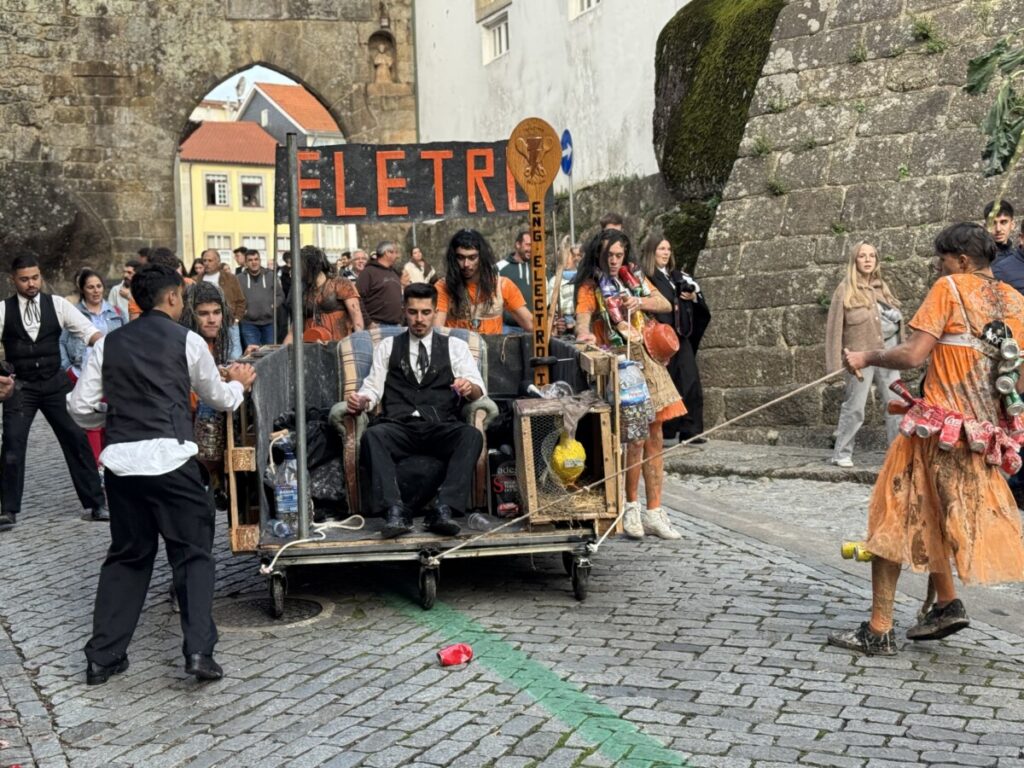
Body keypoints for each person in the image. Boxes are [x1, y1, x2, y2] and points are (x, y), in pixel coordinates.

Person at [830, 222, 1024, 656]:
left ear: (961, 260)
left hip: (934, 431)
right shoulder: (1016, 303)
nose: (940, 266)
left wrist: (867, 355)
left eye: (943, 259)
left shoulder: (949, 288)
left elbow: (914, 354)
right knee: (935, 519)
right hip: (979, 436)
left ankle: (878, 630)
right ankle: (948, 603)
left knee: (891, 521)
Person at [68, 264, 255, 684]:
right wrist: (241, 382)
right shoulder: (187, 340)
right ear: (173, 298)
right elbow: (220, 398)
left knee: (128, 557)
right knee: (192, 554)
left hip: (121, 464)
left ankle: (103, 657)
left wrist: (112, 416)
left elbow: (79, 408)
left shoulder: (107, 345)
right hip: (172, 459)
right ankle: (198, 653)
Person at [347, 282, 486, 539]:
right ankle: (394, 510)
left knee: (471, 436)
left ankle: (443, 509)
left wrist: (468, 388)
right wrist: (362, 400)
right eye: (413, 312)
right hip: (400, 426)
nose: (419, 319)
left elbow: (479, 390)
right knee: (373, 436)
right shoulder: (388, 347)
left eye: (425, 312)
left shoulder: (455, 347)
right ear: (404, 311)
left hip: (440, 425)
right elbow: (372, 387)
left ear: (435, 312)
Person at [575, 228, 684, 540]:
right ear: (598, 253)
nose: (613, 261)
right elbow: (583, 321)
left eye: (618, 255)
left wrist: (638, 303)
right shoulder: (589, 286)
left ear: (625, 255)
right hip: (619, 362)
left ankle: (655, 511)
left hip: (647, 358)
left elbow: (665, 302)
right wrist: (585, 335)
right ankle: (631, 507)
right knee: (634, 439)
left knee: (655, 435)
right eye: (608, 255)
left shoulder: (633, 276)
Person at [0, 251, 108, 531]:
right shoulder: (3, 310)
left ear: (41, 276)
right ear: (14, 280)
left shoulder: (58, 305)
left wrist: (110, 348)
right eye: (24, 279)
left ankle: (96, 504)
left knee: (76, 439)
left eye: (35, 277)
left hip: (54, 383)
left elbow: (88, 331)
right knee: (12, 444)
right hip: (21, 386)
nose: (31, 284)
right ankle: (8, 510)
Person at [823, 242, 903, 468]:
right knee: (855, 406)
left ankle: (897, 453)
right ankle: (842, 453)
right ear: (854, 261)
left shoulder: (882, 288)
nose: (868, 260)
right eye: (862, 256)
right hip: (859, 357)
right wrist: (834, 366)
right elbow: (834, 329)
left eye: (871, 256)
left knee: (895, 404)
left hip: (888, 354)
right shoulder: (845, 289)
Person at [641, 233, 711, 444]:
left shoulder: (676, 276)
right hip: (660, 337)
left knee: (689, 379)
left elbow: (694, 295)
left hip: (680, 335)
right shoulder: (647, 277)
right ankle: (667, 429)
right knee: (666, 382)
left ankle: (691, 430)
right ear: (652, 252)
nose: (666, 253)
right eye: (662, 249)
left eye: (668, 249)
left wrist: (693, 296)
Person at [181, 281, 240, 508]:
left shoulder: (221, 339)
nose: (212, 319)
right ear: (192, 315)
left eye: (216, 312)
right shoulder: (187, 341)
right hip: (191, 416)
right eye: (203, 314)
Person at [60, 268, 126, 466]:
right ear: (83, 289)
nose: (96, 291)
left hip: (110, 376)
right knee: (90, 426)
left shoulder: (116, 313)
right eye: (90, 287)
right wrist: (69, 370)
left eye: (98, 286)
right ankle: (97, 468)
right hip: (83, 374)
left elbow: (125, 342)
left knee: (111, 423)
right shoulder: (73, 314)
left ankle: (112, 466)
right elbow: (61, 343)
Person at [434, 229, 533, 334]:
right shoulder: (443, 287)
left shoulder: (502, 285)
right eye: (460, 257)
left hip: (493, 349)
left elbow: (531, 325)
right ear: (454, 258)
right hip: (458, 349)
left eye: (472, 257)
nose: (466, 264)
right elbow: (437, 332)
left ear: (482, 257)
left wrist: (550, 326)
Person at [286, 245, 363, 342]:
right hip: (312, 348)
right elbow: (293, 332)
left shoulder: (341, 283)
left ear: (311, 266)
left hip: (339, 346)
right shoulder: (302, 291)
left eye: (300, 266)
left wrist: (358, 344)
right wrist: (283, 353)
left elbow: (356, 317)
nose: (296, 271)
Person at [201, 249, 246, 354]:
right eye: (204, 261)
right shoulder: (198, 279)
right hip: (208, 323)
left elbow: (241, 300)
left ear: (218, 261)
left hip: (229, 322)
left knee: (234, 354)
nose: (206, 263)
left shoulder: (230, 278)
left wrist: (236, 319)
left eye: (210, 260)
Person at [238, 249, 284, 349]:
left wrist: (273, 305)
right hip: (248, 323)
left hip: (269, 322)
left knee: (270, 352)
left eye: (256, 259)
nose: (254, 262)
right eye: (250, 260)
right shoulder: (239, 278)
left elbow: (280, 295)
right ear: (246, 263)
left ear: (260, 260)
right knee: (254, 353)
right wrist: (242, 311)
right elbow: (235, 299)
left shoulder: (270, 275)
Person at [356, 241, 404, 328]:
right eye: (395, 252)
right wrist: (368, 323)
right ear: (387, 253)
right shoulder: (368, 272)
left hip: (397, 326)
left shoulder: (394, 272)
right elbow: (358, 299)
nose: (397, 256)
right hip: (377, 326)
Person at [496, 231, 533, 334]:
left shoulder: (541, 268)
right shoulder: (499, 268)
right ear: (517, 245)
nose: (531, 249)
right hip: (508, 328)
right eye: (528, 245)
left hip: (535, 328)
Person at [549, 237, 582, 337]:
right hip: (563, 319)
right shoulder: (554, 280)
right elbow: (552, 302)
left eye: (567, 256)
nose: (565, 260)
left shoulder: (582, 277)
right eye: (561, 257)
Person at [989, 200, 1024, 293]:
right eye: (993, 223)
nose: (998, 229)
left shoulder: (1017, 253)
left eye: (1003, 222)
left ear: (1012, 225)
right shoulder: (979, 260)